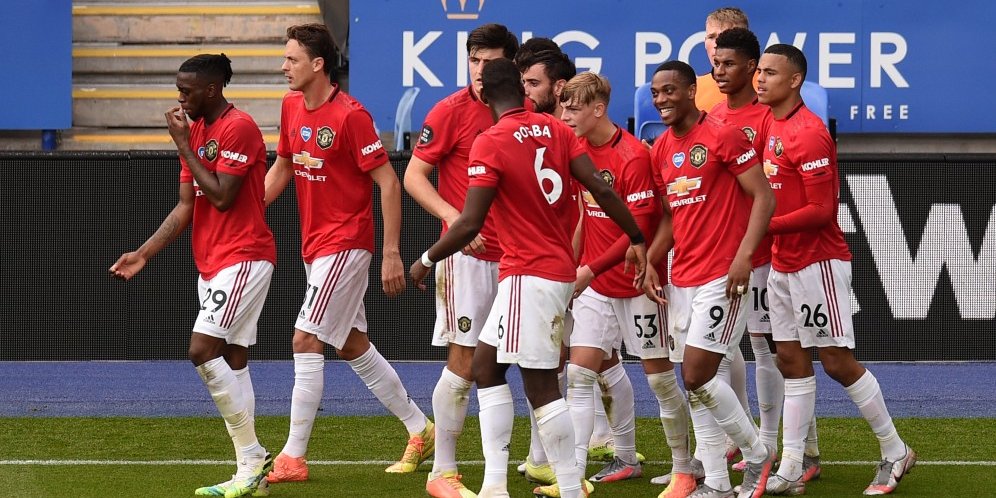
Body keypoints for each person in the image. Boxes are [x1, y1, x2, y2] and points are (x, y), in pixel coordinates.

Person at [410, 58, 648, 498]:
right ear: (522, 91)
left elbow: (470, 222)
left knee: (541, 388)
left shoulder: (491, 140)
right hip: (551, 271)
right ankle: (495, 486)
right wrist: (635, 236)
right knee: (486, 366)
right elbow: (601, 188)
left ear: (484, 95)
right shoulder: (556, 129)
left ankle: (569, 487)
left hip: (528, 273)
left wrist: (425, 259)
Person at [263, 23, 433, 484]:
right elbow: (283, 166)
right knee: (350, 344)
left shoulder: (351, 116)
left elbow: (389, 183)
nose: (284, 67)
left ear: (318, 64)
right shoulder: (291, 105)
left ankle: (293, 457)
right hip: (315, 246)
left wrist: (391, 252)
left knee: (304, 339)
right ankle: (420, 428)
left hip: (346, 244)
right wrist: (250, 210)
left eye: (292, 59)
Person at [109, 54, 275, 498]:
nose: (179, 98)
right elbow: (188, 205)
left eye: (186, 90)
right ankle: (251, 475)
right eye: (178, 90)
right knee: (234, 360)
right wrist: (143, 253)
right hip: (212, 262)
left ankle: (254, 458)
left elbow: (221, 197)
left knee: (201, 351)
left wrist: (183, 144)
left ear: (212, 89)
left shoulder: (238, 128)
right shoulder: (197, 131)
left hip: (244, 256)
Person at [756, 43, 917, 496]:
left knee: (836, 362)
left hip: (818, 263)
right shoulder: (771, 121)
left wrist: (765, 226)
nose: (760, 79)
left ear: (795, 81)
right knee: (789, 359)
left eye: (770, 72)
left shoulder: (809, 132)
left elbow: (822, 210)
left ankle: (895, 450)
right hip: (783, 263)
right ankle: (792, 465)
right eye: (760, 71)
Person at [554, 71, 696, 497]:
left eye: (573, 109)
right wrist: (575, 264)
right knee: (579, 374)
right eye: (563, 109)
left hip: (639, 282)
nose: (565, 117)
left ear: (598, 109)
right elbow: (584, 214)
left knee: (660, 379)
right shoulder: (576, 149)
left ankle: (684, 467)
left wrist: (589, 270)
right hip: (596, 283)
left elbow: (639, 230)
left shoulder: (632, 157)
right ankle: (578, 476)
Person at [643, 60, 776, 498]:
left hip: (723, 274)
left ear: (689, 92)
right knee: (695, 382)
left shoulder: (724, 135)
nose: (661, 99)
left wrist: (744, 257)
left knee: (697, 373)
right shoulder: (661, 149)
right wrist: (652, 260)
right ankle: (717, 483)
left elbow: (764, 197)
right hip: (683, 275)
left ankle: (757, 454)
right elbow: (670, 217)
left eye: (669, 90)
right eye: (655, 92)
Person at [403, 23, 519, 498]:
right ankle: (443, 471)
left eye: (489, 62)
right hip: (467, 259)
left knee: (541, 362)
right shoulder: (449, 111)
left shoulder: (525, 113)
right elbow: (413, 176)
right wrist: (453, 218)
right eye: (473, 60)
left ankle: (543, 464)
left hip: (520, 258)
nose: (479, 70)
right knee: (466, 361)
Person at [695, 7, 754, 113]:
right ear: (705, 42)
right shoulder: (694, 89)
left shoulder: (768, 84)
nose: (716, 44)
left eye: (726, 37)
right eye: (711, 37)